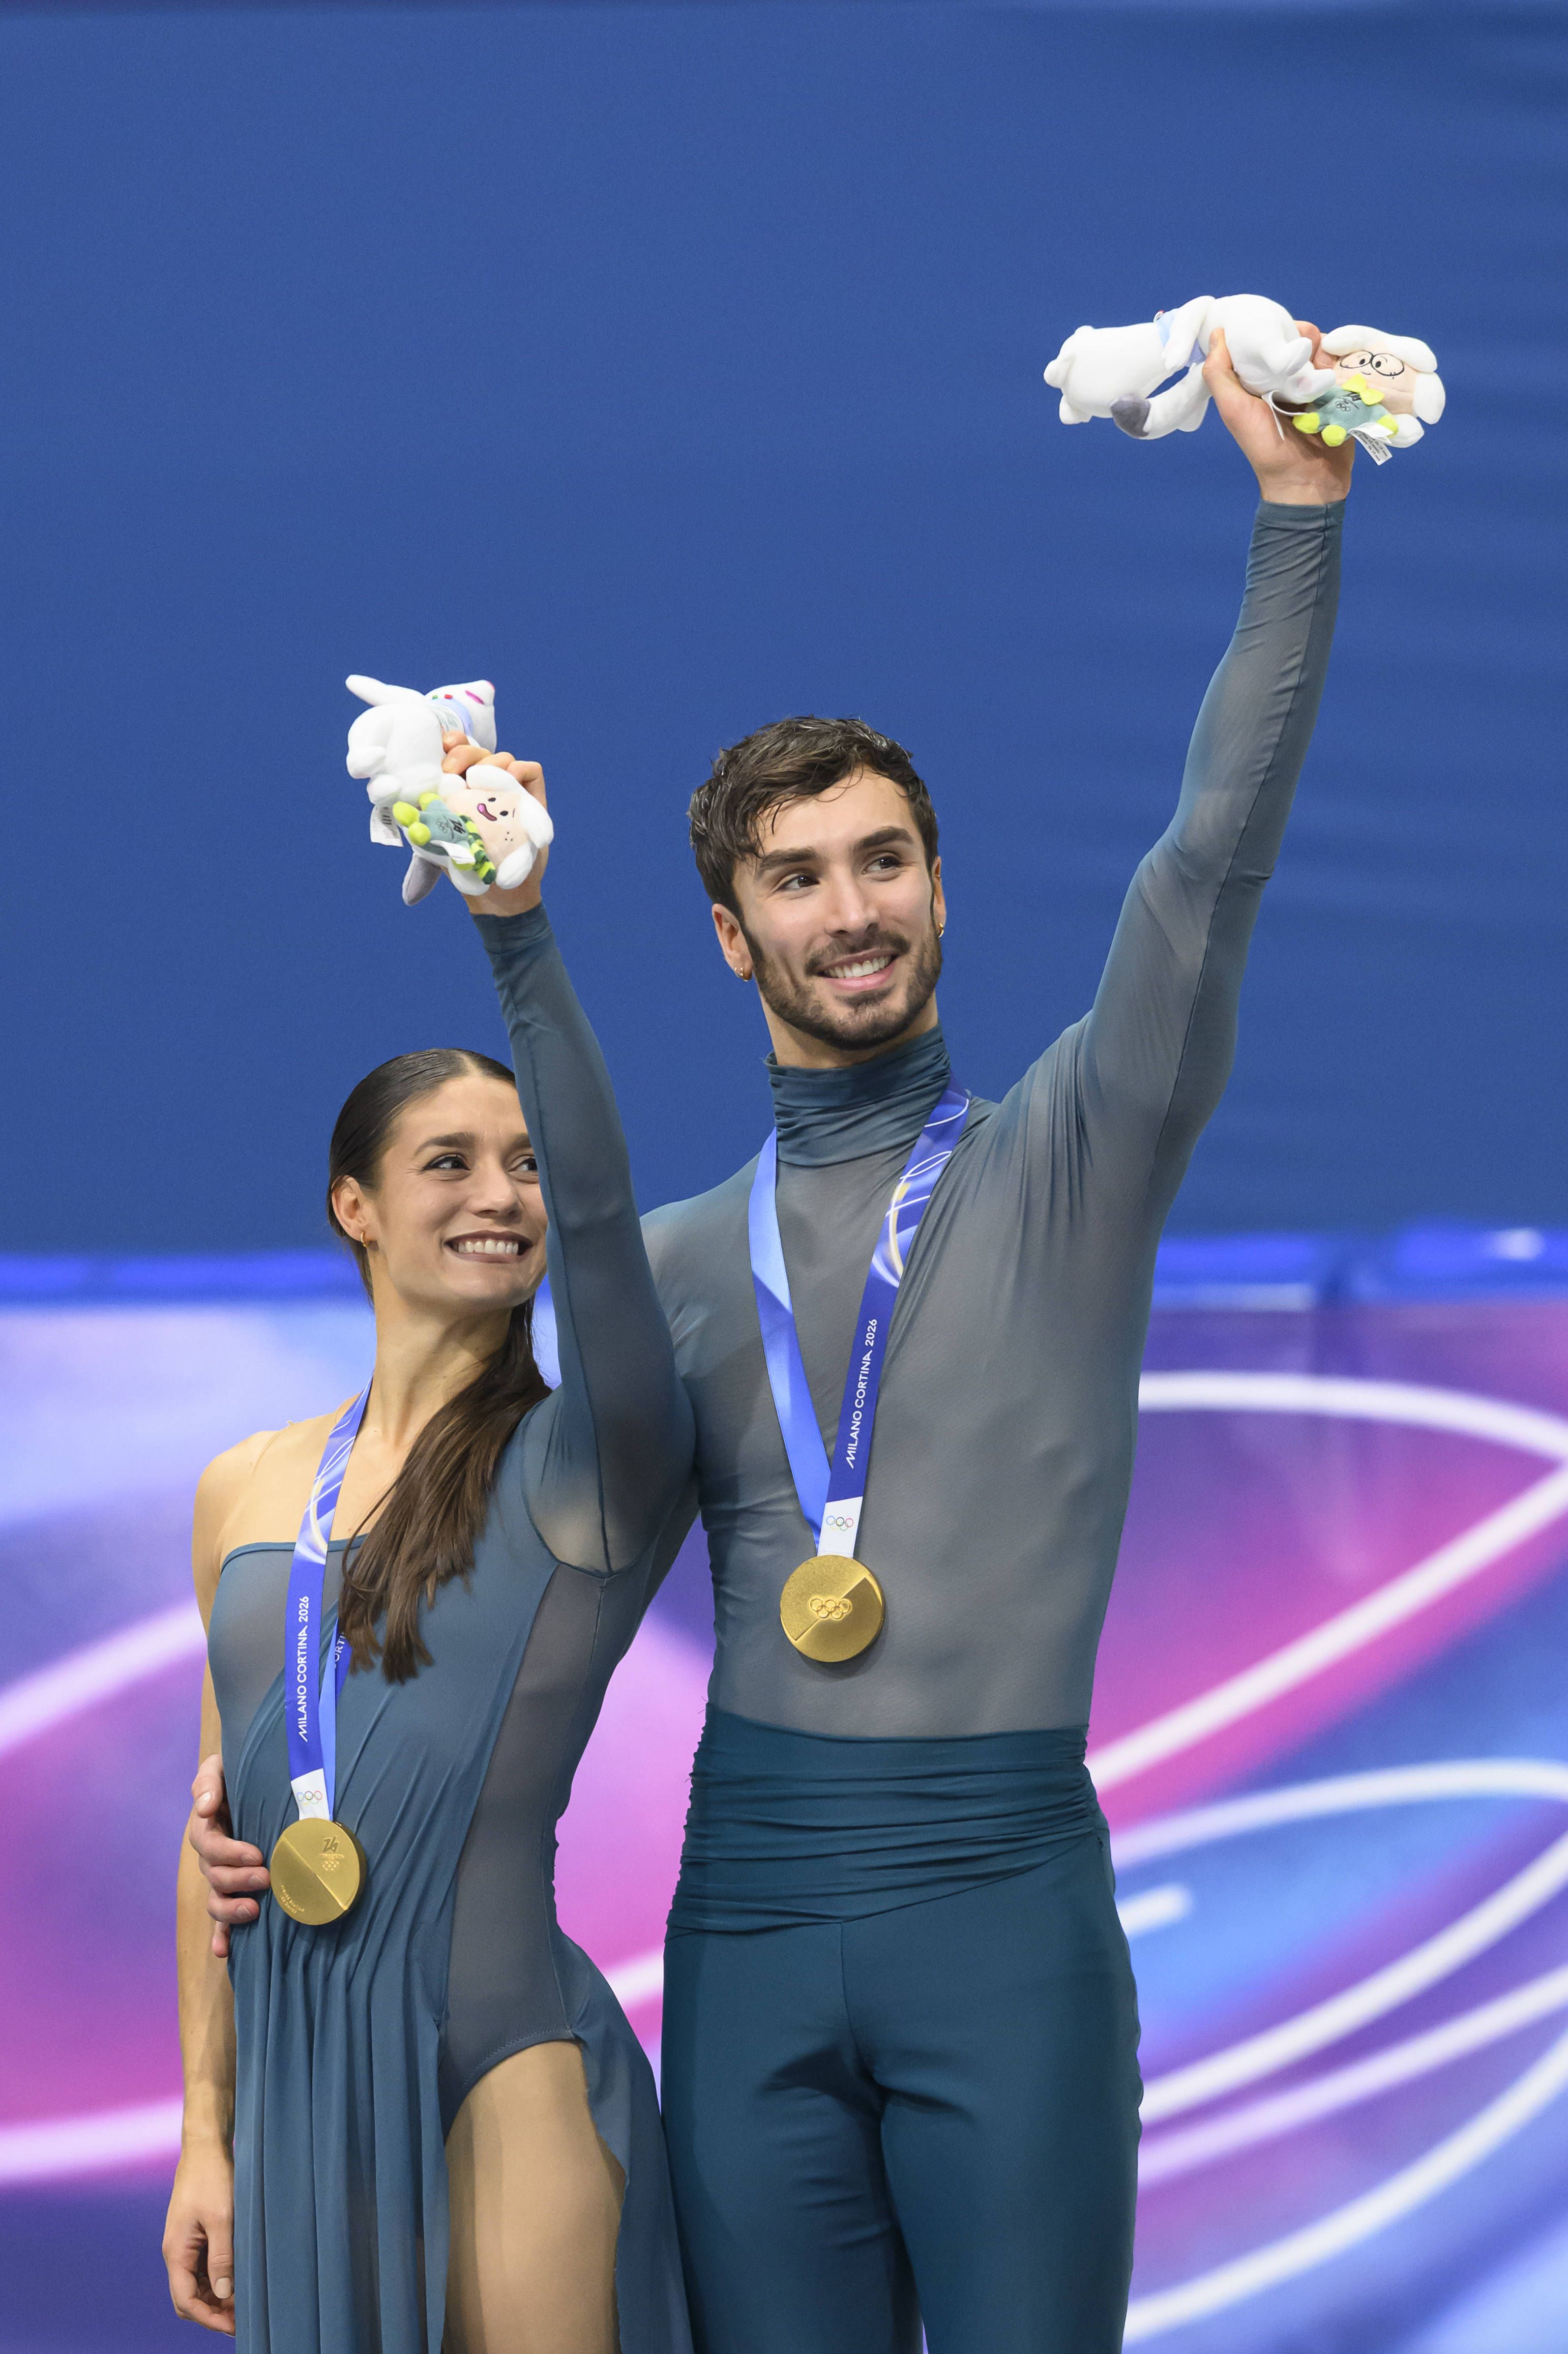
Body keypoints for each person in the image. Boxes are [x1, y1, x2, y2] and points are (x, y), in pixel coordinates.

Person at [191, 327, 1352, 2352]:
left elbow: (1211, 856)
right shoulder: (665, 1263)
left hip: (1002, 1906)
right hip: (744, 1918)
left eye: (884, 859)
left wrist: (1299, 527)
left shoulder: (1079, 1152)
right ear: (733, 933)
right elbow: (502, 1600)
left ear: (935, 882)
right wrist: (284, 1802)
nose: (852, 909)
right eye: (798, 878)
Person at [163, 743, 695, 2353]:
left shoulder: (589, 1454)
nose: (504, 1193)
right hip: (297, 2075)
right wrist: (206, 2127)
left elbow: (606, 1229)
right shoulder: (243, 1489)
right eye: (450, 1162)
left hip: (504, 2057)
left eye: (523, 1162)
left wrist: (514, 926)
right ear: (355, 1207)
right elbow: (220, 1852)